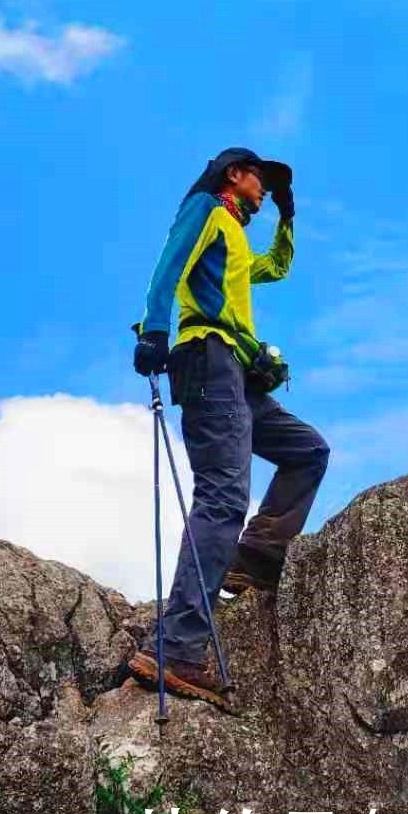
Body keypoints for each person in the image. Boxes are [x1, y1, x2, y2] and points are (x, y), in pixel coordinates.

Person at [127, 147, 330, 710]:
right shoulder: (205, 208)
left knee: (308, 452)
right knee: (222, 497)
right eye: (260, 179)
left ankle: (255, 558)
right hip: (209, 357)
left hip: (240, 372)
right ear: (233, 175)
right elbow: (169, 264)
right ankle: (177, 647)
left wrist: (287, 218)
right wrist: (155, 329)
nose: (264, 189)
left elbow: (276, 268)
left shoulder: (236, 234)